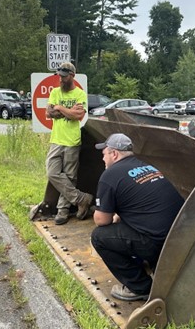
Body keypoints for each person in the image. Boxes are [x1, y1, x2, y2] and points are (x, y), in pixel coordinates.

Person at [91, 133, 184, 301]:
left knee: (99, 237)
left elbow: (101, 220)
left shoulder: (109, 176)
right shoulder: (148, 166)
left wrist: (109, 215)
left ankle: (140, 287)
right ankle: (155, 268)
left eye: (104, 154)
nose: (103, 159)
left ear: (114, 154)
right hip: (178, 238)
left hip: (154, 241)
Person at [46, 61, 93, 225]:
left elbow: (77, 116)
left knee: (70, 176)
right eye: (59, 75)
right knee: (52, 172)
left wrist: (59, 107)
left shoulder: (80, 94)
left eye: (64, 76)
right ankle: (81, 198)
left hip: (72, 140)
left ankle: (63, 211)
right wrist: (66, 111)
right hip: (56, 139)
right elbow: (48, 113)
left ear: (72, 76)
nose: (60, 79)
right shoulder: (55, 92)